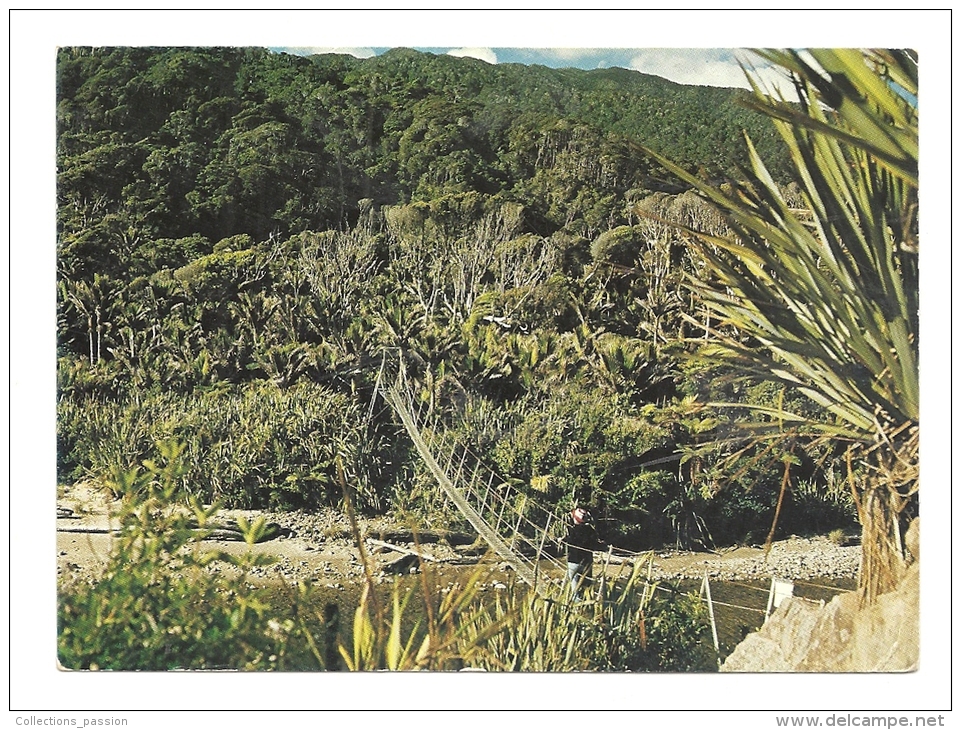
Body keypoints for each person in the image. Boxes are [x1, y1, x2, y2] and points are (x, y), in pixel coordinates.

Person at [565, 506, 605, 599]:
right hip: (586, 562)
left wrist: (561, 539)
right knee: (587, 586)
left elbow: (569, 541)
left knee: (575, 588)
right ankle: (586, 605)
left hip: (573, 562)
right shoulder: (590, 530)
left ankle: (576, 607)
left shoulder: (571, 530)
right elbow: (594, 544)